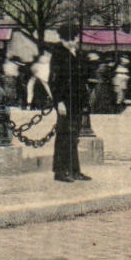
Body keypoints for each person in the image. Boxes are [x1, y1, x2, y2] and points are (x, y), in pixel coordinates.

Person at [47, 27, 91, 183]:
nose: (77, 40)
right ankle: (60, 171)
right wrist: (59, 101)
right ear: (68, 38)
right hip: (65, 102)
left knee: (73, 137)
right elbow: (54, 81)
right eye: (75, 37)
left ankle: (74, 170)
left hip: (76, 101)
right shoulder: (58, 54)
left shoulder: (75, 54)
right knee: (64, 136)